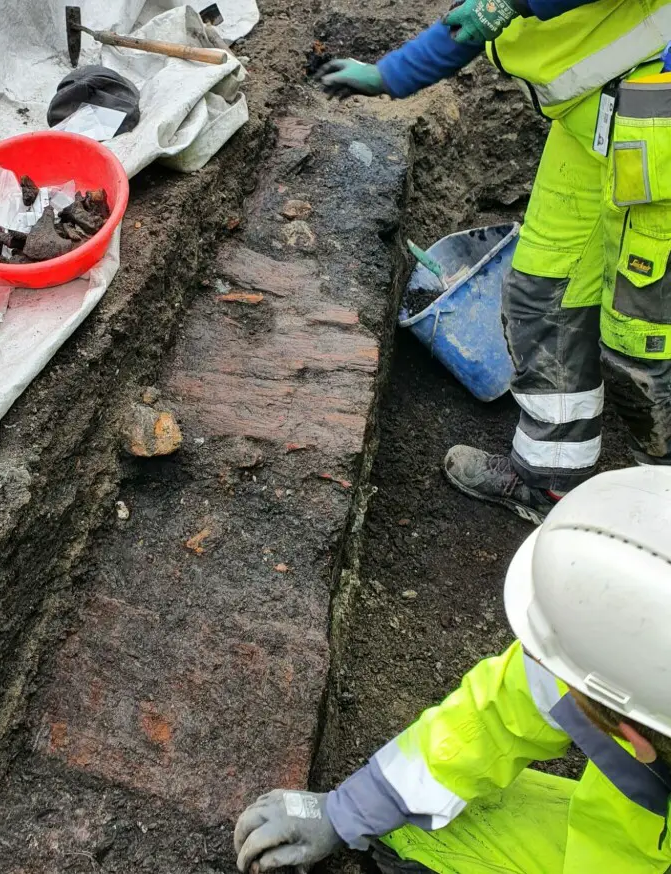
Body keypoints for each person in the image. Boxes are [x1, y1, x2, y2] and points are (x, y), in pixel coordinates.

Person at [316, 0, 671, 523]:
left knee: (638, 340)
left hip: (657, 131)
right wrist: (390, 74)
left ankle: (656, 498)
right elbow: (478, 21)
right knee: (542, 294)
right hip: (592, 122)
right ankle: (549, 480)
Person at [233, 465, 671, 872]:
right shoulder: (639, 663)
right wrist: (344, 811)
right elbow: (497, 712)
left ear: (631, 735)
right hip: (633, 831)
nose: (538, 662)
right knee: (412, 827)